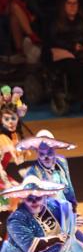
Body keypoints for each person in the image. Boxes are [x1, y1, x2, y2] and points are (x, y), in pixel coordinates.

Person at [0, 86, 28, 243]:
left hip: (2, 175)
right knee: (10, 203)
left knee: (13, 203)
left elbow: (20, 160)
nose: (10, 122)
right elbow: (17, 159)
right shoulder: (3, 138)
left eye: (13, 118)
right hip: (1, 177)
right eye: (6, 119)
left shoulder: (12, 136)